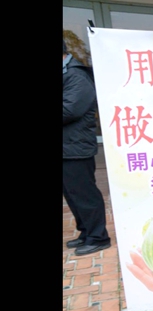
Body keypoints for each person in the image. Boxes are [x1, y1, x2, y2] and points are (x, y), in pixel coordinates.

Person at [63, 38, 112, 256]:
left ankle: (98, 237)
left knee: (85, 195)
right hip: (67, 148)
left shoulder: (77, 76)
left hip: (76, 149)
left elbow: (70, 110)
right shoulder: (66, 75)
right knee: (72, 195)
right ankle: (86, 233)